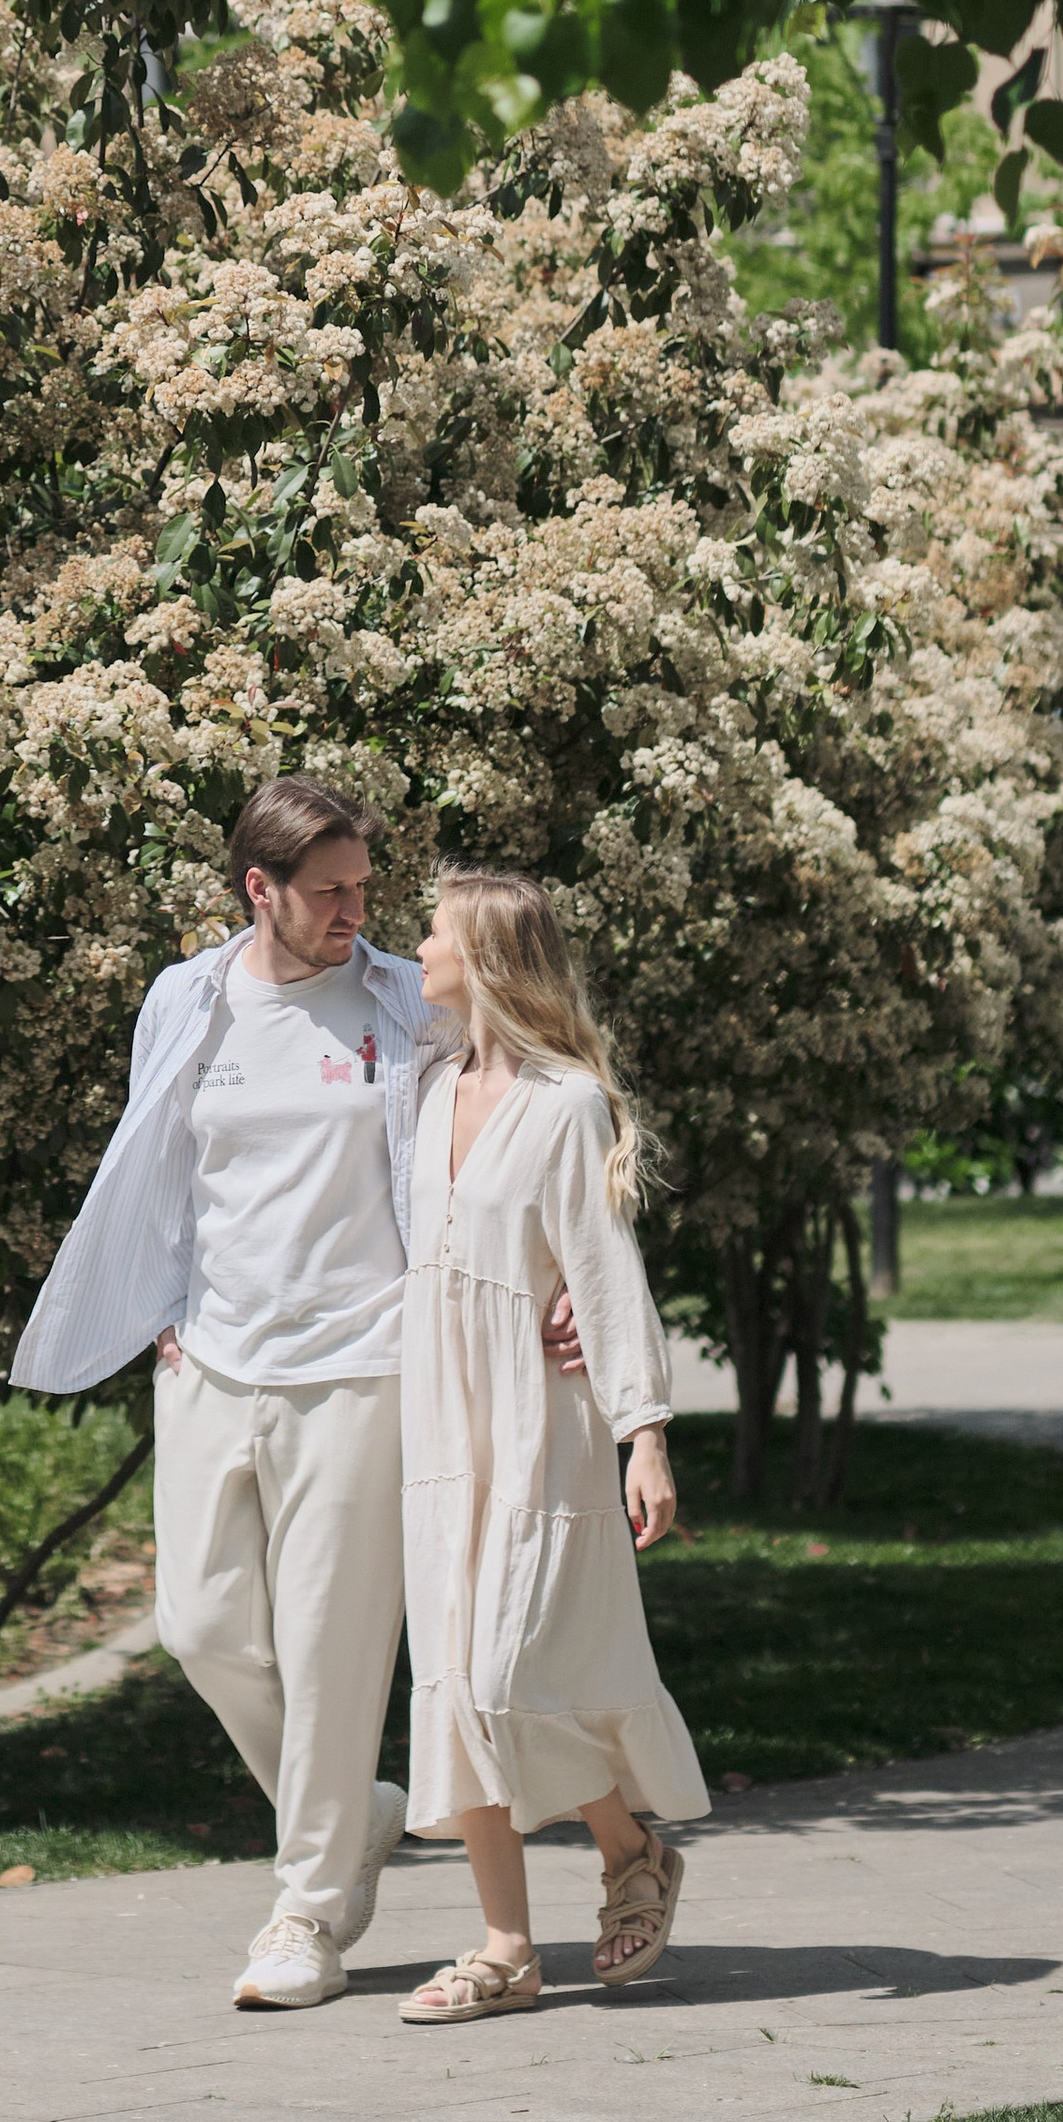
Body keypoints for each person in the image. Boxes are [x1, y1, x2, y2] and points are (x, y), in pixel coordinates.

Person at [12, 777, 586, 2012]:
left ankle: (308, 1917)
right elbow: (158, 1162)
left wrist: (569, 1274)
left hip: (366, 1366)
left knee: (332, 1656)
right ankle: (360, 1810)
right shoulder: (187, 1000)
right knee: (202, 1627)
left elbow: (525, 1114)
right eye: (328, 891)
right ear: (256, 890)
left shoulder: (400, 999)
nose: (353, 911)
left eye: (365, 887)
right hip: (212, 1359)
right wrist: (164, 1305)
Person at [396, 866, 710, 2025]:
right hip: (440, 1427)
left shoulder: (568, 1103)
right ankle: (505, 1949)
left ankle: (631, 1849)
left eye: (431, 928)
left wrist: (645, 1437)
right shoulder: (429, 1094)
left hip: (541, 1426)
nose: (412, 943)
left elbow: (603, 1275)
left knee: (511, 1672)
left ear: (480, 954)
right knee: (455, 1684)